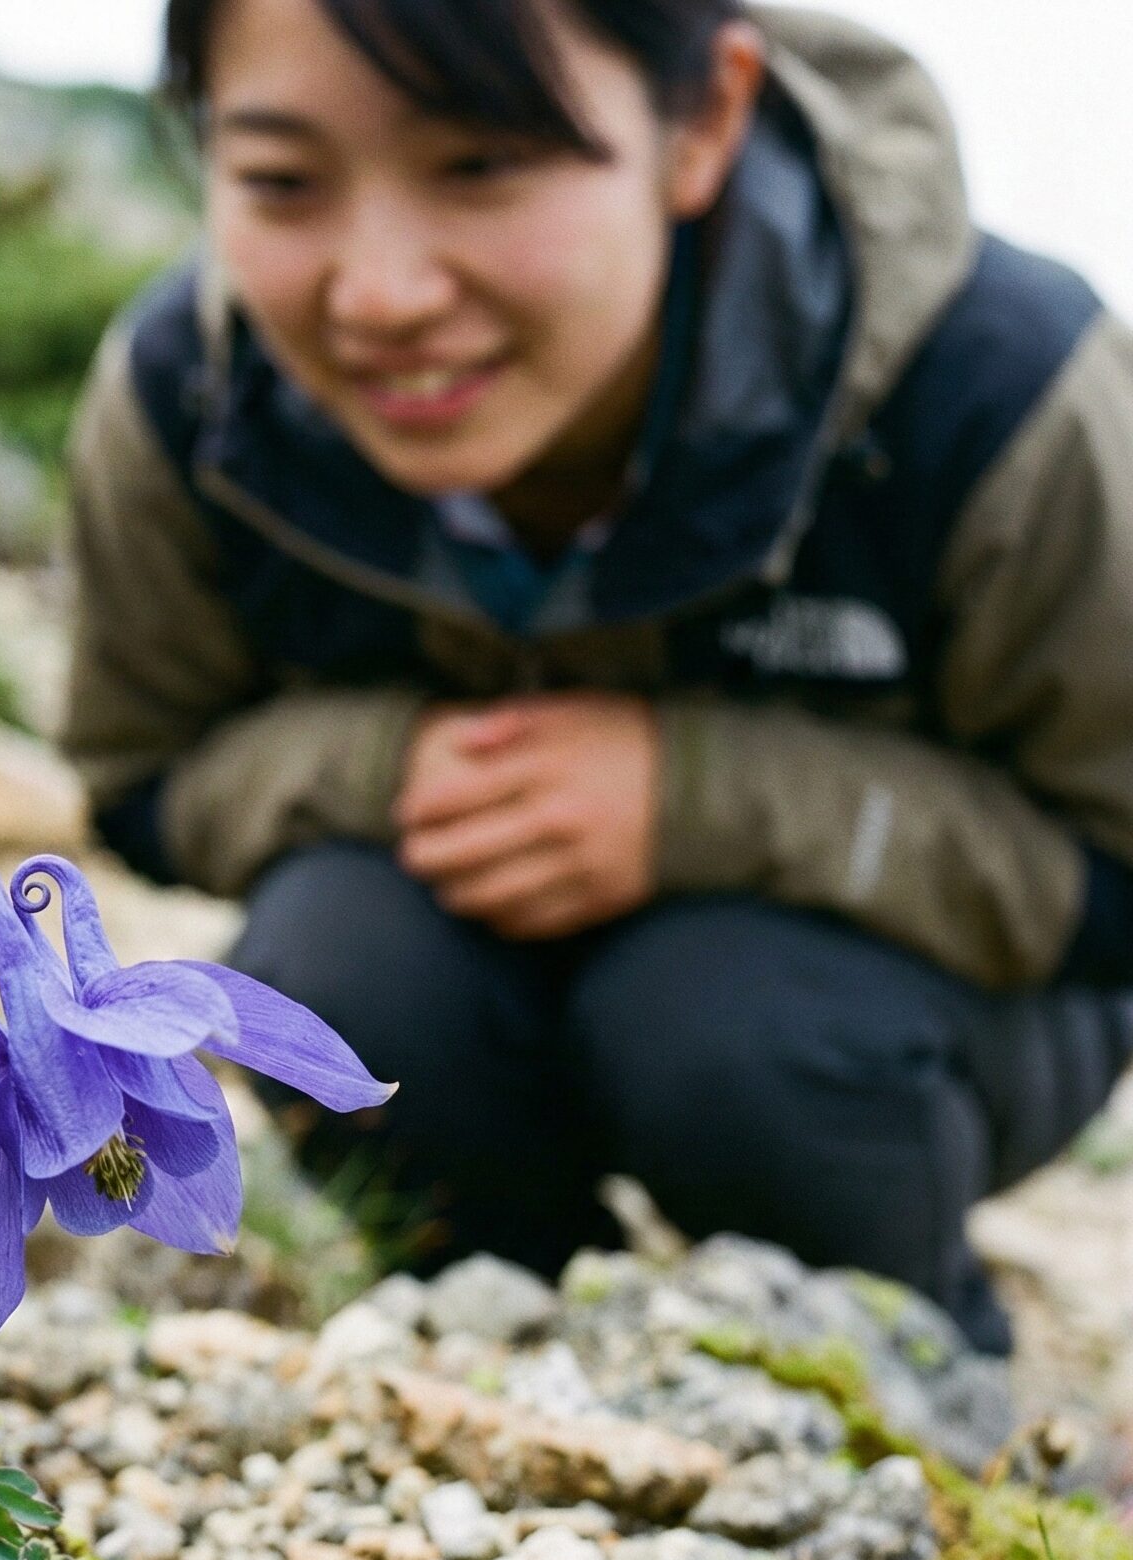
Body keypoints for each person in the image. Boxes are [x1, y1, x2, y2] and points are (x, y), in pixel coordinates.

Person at [57, 0, 1133, 1355]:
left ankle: (915, 1365)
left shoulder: (1008, 396)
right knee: (332, 966)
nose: (380, 294)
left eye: (482, 165)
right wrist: (390, 772)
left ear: (706, 122)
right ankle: (501, 1342)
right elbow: (143, 771)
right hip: (462, 950)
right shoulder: (192, 397)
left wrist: (696, 803)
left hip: (903, 1000)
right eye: (280, 180)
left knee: (725, 1024)